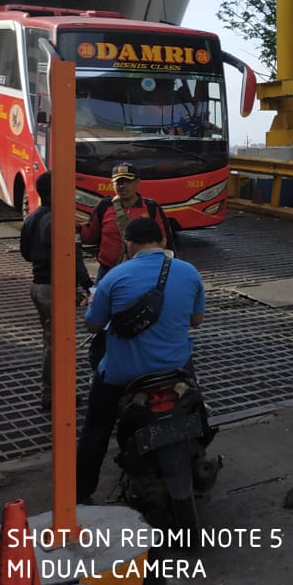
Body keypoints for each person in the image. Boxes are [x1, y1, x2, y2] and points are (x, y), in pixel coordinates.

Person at [76, 216, 206, 505]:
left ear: (129, 244)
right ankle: (201, 448)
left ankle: (81, 495)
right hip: (175, 369)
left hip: (124, 374)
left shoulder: (114, 277)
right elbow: (196, 321)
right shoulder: (189, 272)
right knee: (197, 408)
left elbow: (93, 326)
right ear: (162, 242)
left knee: (96, 426)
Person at [18, 171, 93, 411]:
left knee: (50, 340)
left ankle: (53, 391)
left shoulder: (32, 218)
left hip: (38, 287)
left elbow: (26, 253)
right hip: (56, 288)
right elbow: (75, 257)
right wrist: (87, 285)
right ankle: (53, 394)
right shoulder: (62, 220)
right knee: (60, 344)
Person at [78, 162, 173, 279]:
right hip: (108, 272)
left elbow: (166, 240)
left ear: (137, 182)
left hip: (142, 272)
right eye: (118, 182)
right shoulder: (104, 206)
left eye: (128, 181)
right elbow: (90, 236)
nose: (122, 186)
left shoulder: (151, 207)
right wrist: (73, 227)